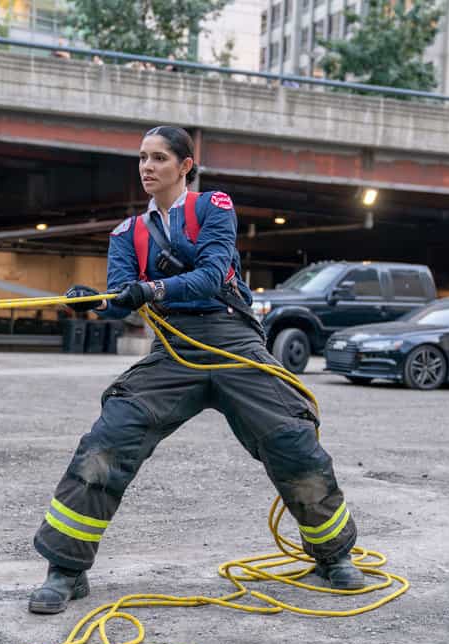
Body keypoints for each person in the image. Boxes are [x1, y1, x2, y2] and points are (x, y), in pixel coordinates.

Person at [27, 126, 363, 614]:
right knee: (107, 442)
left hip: (233, 340)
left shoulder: (214, 208)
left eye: (159, 158)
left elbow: (211, 273)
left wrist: (153, 291)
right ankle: (65, 568)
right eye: (142, 158)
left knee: (292, 440)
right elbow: (122, 298)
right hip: (172, 350)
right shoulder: (127, 233)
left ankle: (333, 555)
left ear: (185, 165)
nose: (147, 167)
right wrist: (93, 303)